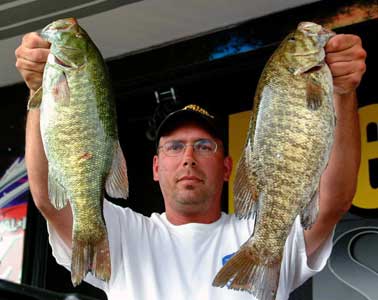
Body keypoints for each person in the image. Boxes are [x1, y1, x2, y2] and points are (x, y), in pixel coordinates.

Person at [15, 29, 366, 300]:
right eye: (174, 147)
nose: (188, 157)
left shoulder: (260, 237)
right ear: (155, 168)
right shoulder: (124, 235)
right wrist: (39, 94)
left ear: (228, 168)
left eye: (203, 145)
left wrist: (343, 92)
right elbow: (48, 197)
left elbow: (333, 201)